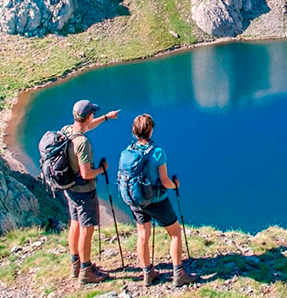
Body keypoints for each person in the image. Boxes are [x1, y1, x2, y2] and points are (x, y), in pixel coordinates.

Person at [125, 113, 196, 287]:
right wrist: (175, 185)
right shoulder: (157, 153)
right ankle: (179, 273)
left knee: (142, 235)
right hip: (156, 200)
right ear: (150, 131)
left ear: (134, 132)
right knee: (175, 233)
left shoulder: (128, 151)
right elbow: (164, 181)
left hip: (135, 199)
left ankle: (147, 273)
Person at [63, 99, 120, 284]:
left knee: (75, 224)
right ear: (88, 116)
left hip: (69, 189)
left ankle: (76, 264)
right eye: (93, 113)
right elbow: (86, 173)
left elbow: (86, 127)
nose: (93, 115)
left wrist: (106, 117)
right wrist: (102, 169)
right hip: (84, 191)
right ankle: (86, 271)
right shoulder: (83, 143)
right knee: (87, 229)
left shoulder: (67, 131)